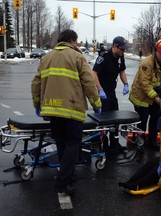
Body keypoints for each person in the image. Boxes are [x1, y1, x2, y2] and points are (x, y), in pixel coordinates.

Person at [31, 29, 102, 195]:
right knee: (72, 144)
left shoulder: (46, 57)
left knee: (61, 143)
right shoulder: (77, 57)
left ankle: (68, 179)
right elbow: (88, 82)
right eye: (76, 42)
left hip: (52, 110)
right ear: (72, 40)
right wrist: (96, 103)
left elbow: (36, 83)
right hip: (72, 109)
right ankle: (62, 181)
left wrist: (37, 103)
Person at [129, 38, 161, 149]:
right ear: (156, 51)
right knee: (142, 121)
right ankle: (139, 142)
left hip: (155, 96)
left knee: (157, 118)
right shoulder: (146, 63)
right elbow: (145, 84)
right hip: (142, 98)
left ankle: (151, 142)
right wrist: (156, 97)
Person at [92, 36, 129, 153]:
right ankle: (103, 144)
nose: (123, 51)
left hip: (111, 91)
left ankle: (114, 144)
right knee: (103, 120)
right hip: (102, 90)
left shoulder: (120, 57)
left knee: (115, 118)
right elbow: (94, 73)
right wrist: (100, 89)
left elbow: (122, 70)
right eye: (122, 49)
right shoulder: (104, 56)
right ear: (115, 46)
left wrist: (126, 84)